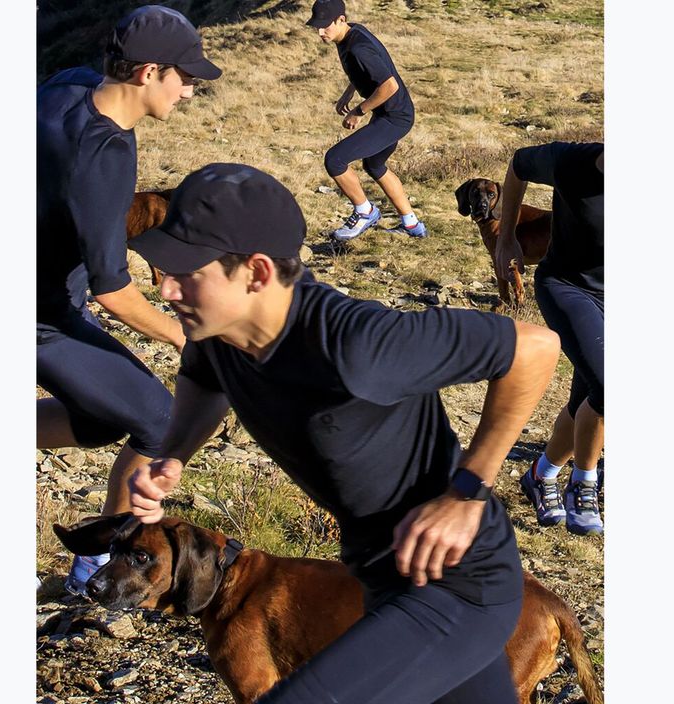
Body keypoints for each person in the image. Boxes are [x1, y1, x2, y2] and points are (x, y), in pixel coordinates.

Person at [127, 162, 560, 703]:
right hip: (381, 575)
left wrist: (468, 491)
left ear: (257, 273)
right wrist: (174, 456)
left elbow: (535, 348)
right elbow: (201, 375)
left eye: (186, 272)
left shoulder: (357, 343)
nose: (165, 289)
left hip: (459, 585)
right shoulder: (218, 329)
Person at [37, 4, 222, 594]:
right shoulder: (108, 154)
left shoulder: (67, 85)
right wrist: (188, 336)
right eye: (185, 77)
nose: (190, 91)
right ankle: (95, 564)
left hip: (46, 298)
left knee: (96, 422)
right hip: (40, 314)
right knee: (158, 420)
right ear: (148, 72)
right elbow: (112, 289)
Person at [495, 141, 604, 536]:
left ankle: (542, 475)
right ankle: (584, 483)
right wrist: (506, 238)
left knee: (586, 399)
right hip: (567, 288)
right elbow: (518, 164)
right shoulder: (571, 162)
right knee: (608, 388)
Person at [306, 0, 427, 241]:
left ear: (341, 19)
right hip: (392, 114)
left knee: (335, 160)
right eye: (317, 27)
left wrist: (359, 111)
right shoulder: (353, 33)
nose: (320, 32)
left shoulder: (357, 48)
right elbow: (369, 71)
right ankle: (412, 225)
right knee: (374, 165)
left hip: (394, 118)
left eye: (324, 26)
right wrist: (349, 92)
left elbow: (389, 86)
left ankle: (365, 211)